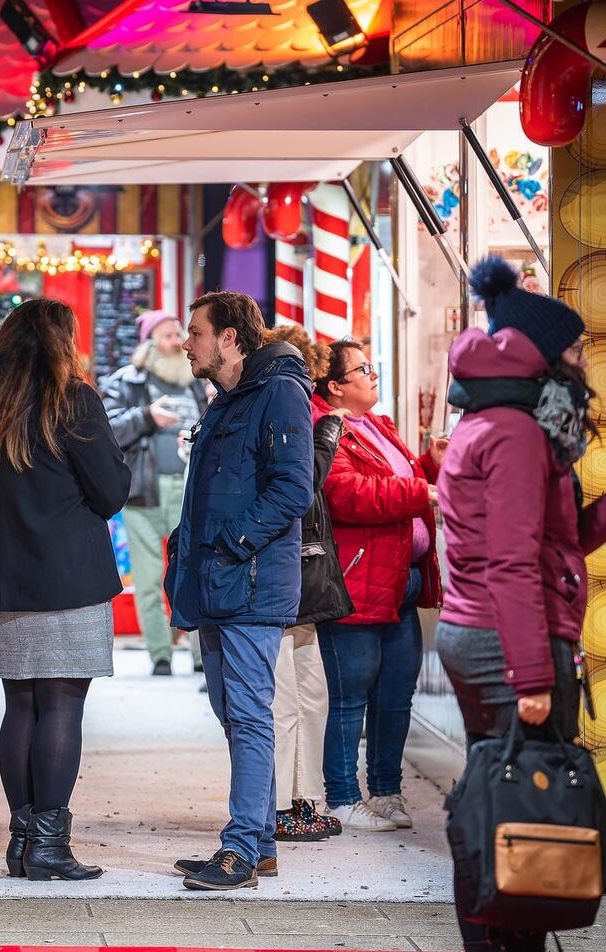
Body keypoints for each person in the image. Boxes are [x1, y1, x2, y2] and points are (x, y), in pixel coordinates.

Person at [435, 258, 606, 952]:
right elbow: (514, 563)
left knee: (495, 796)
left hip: (484, 632)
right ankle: (509, 942)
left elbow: (543, 545)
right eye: (577, 347)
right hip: (508, 641)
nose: (586, 359)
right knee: (525, 803)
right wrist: (532, 677)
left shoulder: (497, 422)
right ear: (546, 357)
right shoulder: (518, 435)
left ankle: (496, 941)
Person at [0, 298, 130, 882]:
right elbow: (109, 492)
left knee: (20, 705)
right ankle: (50, 848)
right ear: (63, 343)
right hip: (67, 577)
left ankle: (22, 842)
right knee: (61, 705)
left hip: (2, 576)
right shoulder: (72, 400)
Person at [166, 291, 313, 891]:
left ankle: (240, 853)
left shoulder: (278, 392)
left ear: (230, 337)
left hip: (248, 583)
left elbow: (294, 489)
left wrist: (230, 544)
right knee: (233, 712)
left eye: (196, 332)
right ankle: (260, 842)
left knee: (249, 716)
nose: (187, 342)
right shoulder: (232, 399)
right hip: (219, 583)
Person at [311, 338, 442, 832]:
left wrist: (428, 462)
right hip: (358, 578)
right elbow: (346, 494)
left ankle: (386, 790)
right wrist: (419, 490)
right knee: (350, 696)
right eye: (362, 367)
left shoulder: (378, 426)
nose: (373, 373)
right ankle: (343, 796)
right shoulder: (329, 428)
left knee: (395, 694)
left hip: (401, 581)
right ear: (337, 386)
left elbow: (401, 481)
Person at [266, 325, 353, 843]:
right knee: (283, 700)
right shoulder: (290, 414)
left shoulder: (300, 410)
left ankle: (304, 798)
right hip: (280, 571)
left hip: (305, 572)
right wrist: (326, 437)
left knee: (309, 695)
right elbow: (298, 488)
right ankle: (278, 805)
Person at [99, 310, 208, 675]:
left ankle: (198, 654)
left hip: (189, 489)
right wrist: (147, 416)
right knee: (148, 578)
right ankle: (160, 653)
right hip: (142, 491)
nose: (175, 342)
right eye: (165, 336)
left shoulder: (198, 380)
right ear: (148, 345)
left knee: (193, 572)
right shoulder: (125, 382)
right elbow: (108, 429)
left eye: (178, 334)